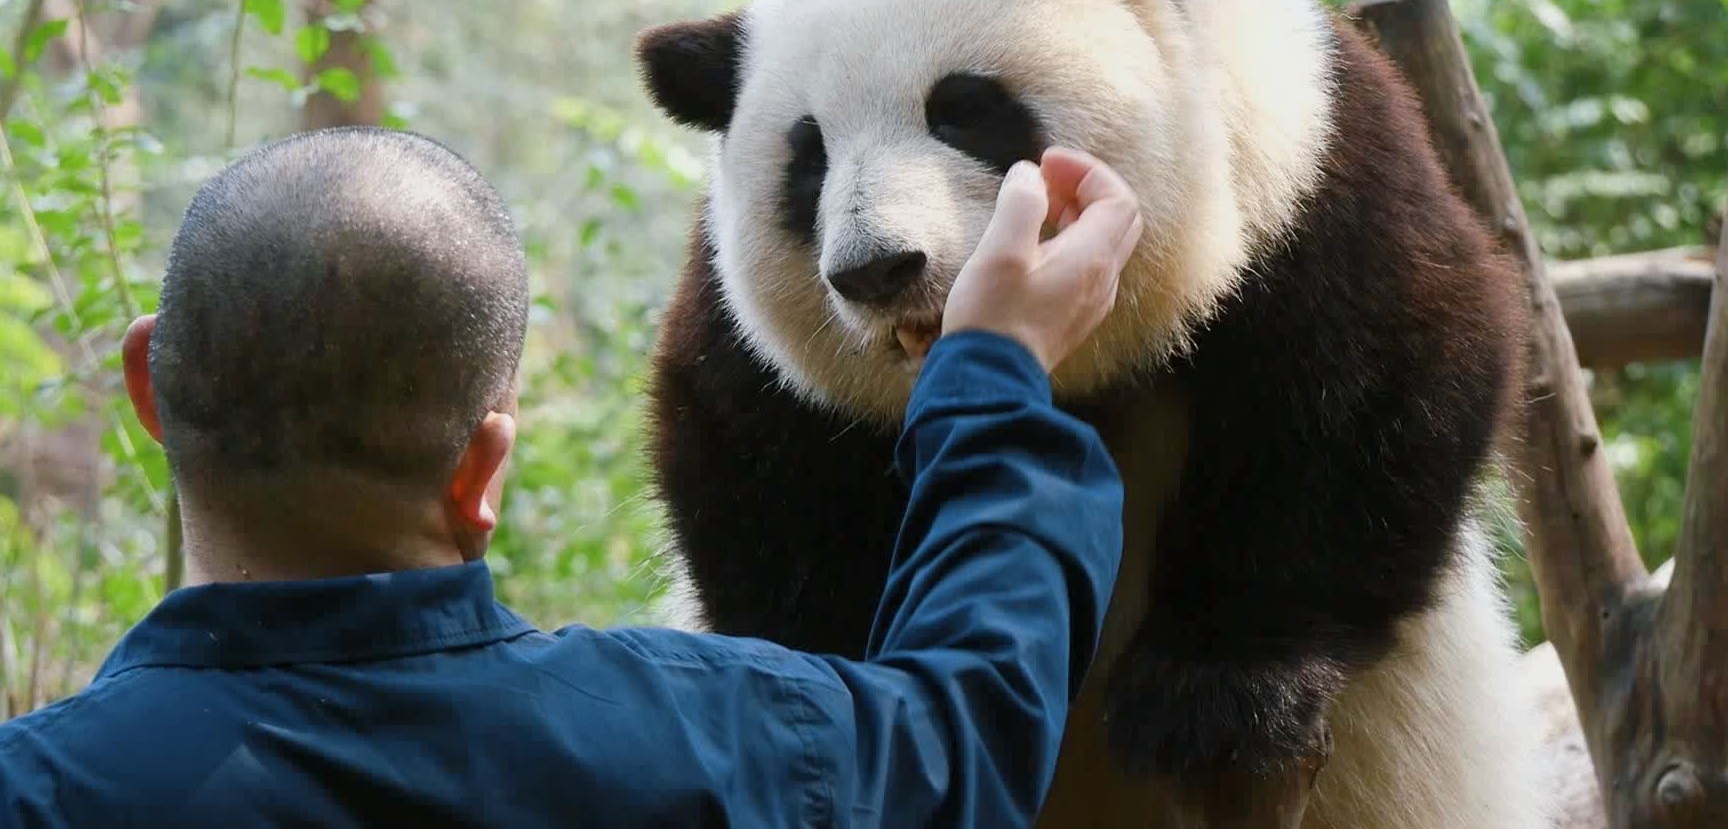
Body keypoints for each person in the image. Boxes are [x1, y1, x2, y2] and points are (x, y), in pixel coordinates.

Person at [0, 125, 1143, 827]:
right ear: (483, 471)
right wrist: (992, 371)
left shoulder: (42, 793)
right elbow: (967, 729)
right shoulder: (719, 747)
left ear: (150, 386)